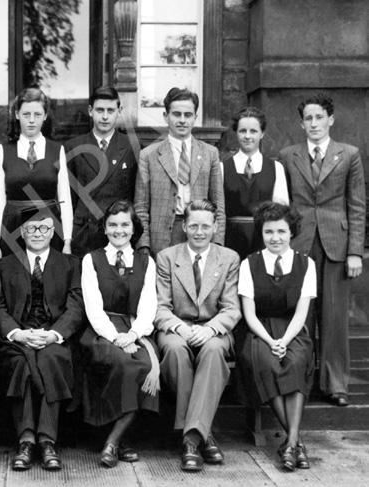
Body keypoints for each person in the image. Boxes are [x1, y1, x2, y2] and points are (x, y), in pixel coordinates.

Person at [278, 93, 365, 407]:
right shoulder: (288, 155)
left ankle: (335, 384)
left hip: (336, 244)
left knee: (334, 316)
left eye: (319, 117)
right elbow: (282, 204)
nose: (313, 124)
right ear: (301, 124)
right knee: (300, 316)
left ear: (331, 119)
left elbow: (356, 205)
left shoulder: (349, 154)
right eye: (308, 119)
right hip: (300, 242)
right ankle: (300, 380)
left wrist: (355, 251)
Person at [0, 204, 84, 471]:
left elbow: (75, 305)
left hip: (54, 336)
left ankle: (46, 440)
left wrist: (54, 334)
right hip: (17, 336)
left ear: (53, 231)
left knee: (51, 360)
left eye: (44, 228)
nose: (38, 233)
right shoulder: (6, 264)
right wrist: (17, 333)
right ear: (22, 231)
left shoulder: (69, 264)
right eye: (31, 228)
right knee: (20, 364)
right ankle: (26, 439)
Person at [154, 199, 241, 472]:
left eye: (205, 226)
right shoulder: (167, 257)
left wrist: (210, 329)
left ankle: (191, 440)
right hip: (176, 328)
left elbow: (231, 308)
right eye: (193, 226)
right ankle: (205, 434)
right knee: (176, 351)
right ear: (184, 226)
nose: (199, 232)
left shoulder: (228, 258)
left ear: (215, 227)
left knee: (215, 351)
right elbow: (159, 307)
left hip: (213, 328)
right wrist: (180, 328)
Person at [79, 200, 160, 467]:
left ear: (133, 227)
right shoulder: (92, 260)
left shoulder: (146, 261)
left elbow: (149, 305)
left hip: (136, 329)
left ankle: (113, 441)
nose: (119, 230)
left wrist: (134, 334)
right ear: (104, 228)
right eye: (113, 225)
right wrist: (115, 337)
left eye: (125, 224)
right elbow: (94, 309)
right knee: (124, 363)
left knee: (147, 365)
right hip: (103, 331)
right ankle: (119, 440)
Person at [236, 202, 316, 471]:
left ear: (291, 232)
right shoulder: (250, 264)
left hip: (293, 330)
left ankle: (290, 444)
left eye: (281, 231)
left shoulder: (307, 264)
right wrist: (271, 342)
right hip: (259, 331)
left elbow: (302, 312)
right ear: (262, 233)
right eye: (269, 232)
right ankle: (296, 444)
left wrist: (285, 340)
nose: (275, 238)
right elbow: (249, 313)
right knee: (267, 363)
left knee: (296, 361)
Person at [134, 88, 225, 256]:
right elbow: (141, 207)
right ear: (166, 117)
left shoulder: (209, 153)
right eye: (176, 114)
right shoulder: (149, 155)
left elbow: (218, 204)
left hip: (200, 233)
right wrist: (144, 246)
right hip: (162, 237)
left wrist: (217, 241)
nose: (182, 120)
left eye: (188, 115)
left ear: (195, 118)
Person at [0, 88, 74, 258]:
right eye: (26, 114)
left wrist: (67, 240)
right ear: (17, 114)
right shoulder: (2, 151)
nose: (31, 120)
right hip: (13, 228)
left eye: (37, 114)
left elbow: (65, 199)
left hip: (48, 227)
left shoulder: (57, 150)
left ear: (45, 116)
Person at [66, 86, 140, 257]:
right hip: (84, 234)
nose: (105, 116)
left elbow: (136, 196)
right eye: (100, 110)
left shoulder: (132, 147)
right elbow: (69, 199)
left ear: (119, 111)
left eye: (110, 110)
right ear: (90, 111)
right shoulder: (73, 147)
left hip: (118, 234)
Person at [222, 107, 289, 259]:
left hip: (264, 239)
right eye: (242, 131)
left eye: (253, 131)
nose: (247, 136)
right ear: (236, 132)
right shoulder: (223, 168)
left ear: (262, 133)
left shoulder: (275, 168)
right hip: (230, 239)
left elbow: (281, 210)